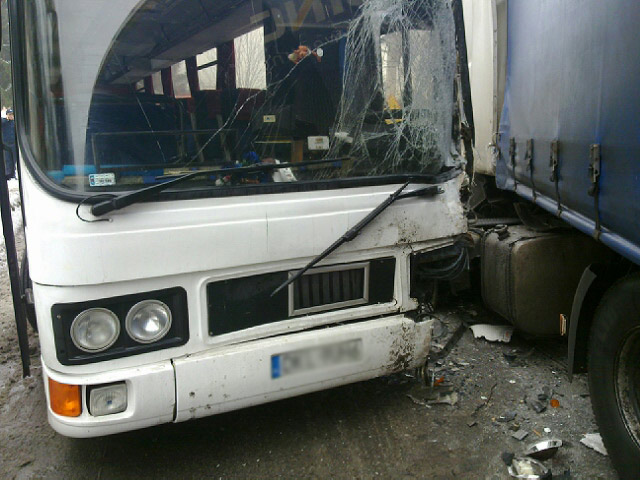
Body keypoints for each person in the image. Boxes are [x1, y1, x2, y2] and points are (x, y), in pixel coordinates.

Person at [2, 108, 17, 178]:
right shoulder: (4, 123)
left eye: (12, 114)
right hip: (6, 144)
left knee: (15, 159)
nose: (11, 116)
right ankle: (9, 174)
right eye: (9, 114)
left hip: (14, 143)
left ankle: (15, 173)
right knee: (8, 160)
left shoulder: (15, 123)